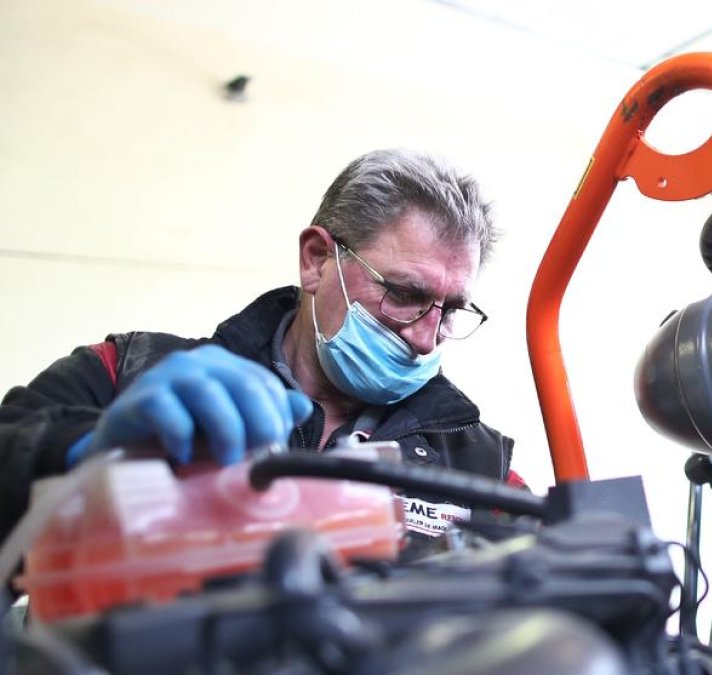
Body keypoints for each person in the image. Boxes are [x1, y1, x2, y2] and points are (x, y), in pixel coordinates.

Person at [0, 149, 517, 550]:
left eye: (449, 311)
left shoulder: (480, 463)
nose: (425, 337)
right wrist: (83, 453)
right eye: (403, 294)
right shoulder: (124, 374)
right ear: (316, 261)